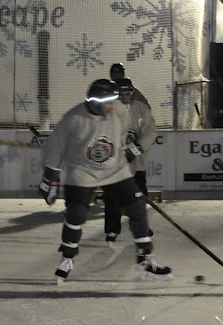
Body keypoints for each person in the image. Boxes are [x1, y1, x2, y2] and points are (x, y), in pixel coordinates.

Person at [38, 79, 171, 284]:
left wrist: (126, 149)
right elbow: (54, 148)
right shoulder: (73, 118)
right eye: (107, 102)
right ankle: (67, 258)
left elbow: (123, 133)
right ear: (94, 102)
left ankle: (145, 259)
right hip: (82, 172)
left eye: (112, 101)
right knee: (76, 214)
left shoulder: (118, 110)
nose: (112, 106)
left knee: (137, 207)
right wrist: (50, 177)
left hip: (114, 169)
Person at [103, 77, 156, 244]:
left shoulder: (141, 108)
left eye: (129, 92)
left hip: (136, 163)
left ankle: (142, 227)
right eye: (123, 92)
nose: (127, 95)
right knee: (112, 197)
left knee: (140, 197)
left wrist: (136, 148)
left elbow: (150, 132)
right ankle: (112, 228)